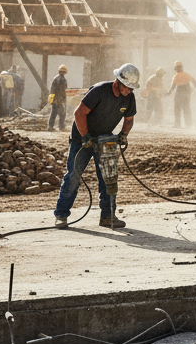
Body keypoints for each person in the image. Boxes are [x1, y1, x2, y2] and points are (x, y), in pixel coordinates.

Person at [54, 64, 139, 229]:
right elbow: (79, 113)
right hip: (82, 140)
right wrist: (85, 137)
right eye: (127, 87)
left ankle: (108, 217)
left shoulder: (129, 97)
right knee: (73, 177)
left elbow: (129, 119)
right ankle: (61, 215)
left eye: (131, 88)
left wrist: (123, 135)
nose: (129, 91)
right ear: (118, 81)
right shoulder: (99, 91)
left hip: (105, 140)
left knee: (108, 179)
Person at [167, 60, 196, 128]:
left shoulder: (176, 76)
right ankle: (188, 124)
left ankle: (177, 124)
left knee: (177, 108)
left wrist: (169, 93)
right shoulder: (186, 74)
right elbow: (194, 81)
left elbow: (173, 86)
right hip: (187, 91)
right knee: (186, 108)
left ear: (175, 68)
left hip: (179, 91)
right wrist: (194, 88)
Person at [47, 64, 69, 131]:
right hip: (58, 99)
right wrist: (62, 99)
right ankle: (60, 127)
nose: (62, 73)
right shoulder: (62, 80)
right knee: (61, 114)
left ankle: (51, 126)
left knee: (54, 113)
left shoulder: (56, 78)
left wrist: (53, 98)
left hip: (55, 99)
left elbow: (52, 90)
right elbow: (62, 91)